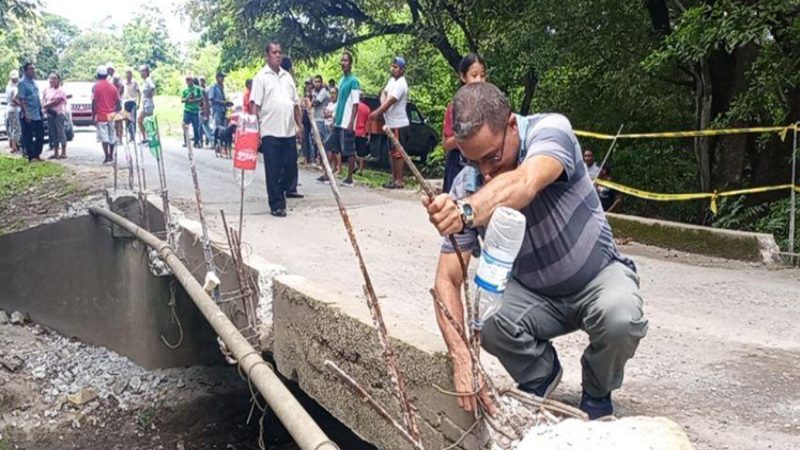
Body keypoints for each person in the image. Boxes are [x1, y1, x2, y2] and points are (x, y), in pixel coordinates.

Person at [424, 82, 647, 420]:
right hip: (534, 295)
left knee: (621, 318)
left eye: (492, 158)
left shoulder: (550, 131)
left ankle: (598, 390)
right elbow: (446, 279)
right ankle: (540, 373)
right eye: (472, 161)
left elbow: (525, 182)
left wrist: (465, 212)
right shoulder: (468, 185)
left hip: (597, 276)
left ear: (512, 125)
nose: (485, 172)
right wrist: (461, 356)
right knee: (486, 319)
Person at [250, 41, 304, 218]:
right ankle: (276, 204)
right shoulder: (261, 78)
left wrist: (299, 125)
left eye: (280, 52)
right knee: (273, 169)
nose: (278, 55)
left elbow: (295, 103)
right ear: (267, 55)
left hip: (288, 130)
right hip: (269, 130)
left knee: (289, 166)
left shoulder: (287, 77)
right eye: (274, 52)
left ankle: (282, 191)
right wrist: (255, 130)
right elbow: (254, 105)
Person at [442, 53, 487, 193]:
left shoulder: (491, 105)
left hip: (483, 167)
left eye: (483, 75)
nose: (479, 80)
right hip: (458, 165)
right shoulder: (455, 107)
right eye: (474, 75)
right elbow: (446, 145)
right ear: (463, 77)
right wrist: (466, 135)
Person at [369, 56, 409, 189]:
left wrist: (378, 112)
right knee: (391, 153)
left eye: (396, 67)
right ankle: (394, 178)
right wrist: (383, 104)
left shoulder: (401, 84)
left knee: (398, 153)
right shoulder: (392, 81)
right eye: (392, 66)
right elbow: (384, 94)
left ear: (402, 70)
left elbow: (391, 100)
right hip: (389, 123)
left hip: (398, 123)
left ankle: (399, 180)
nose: (393, 69)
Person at [321, 51, 360, 186]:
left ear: (350, 63)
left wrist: (351, 122)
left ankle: (350, 177)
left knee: (348, 150)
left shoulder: (353, 81)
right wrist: (334, 116)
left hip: (347, 121)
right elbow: (340, 102)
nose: (343, 63)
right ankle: (328, 173)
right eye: (342, 60)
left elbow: (355, 103)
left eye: (346, 61)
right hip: (338, 120)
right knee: (330, 146)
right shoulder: (342, 80)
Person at [92, 65, 121, 163]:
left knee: (104, 136)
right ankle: (111, 155)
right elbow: (118, 103)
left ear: (98, 75)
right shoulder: (113, 87)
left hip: (101, 115)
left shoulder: (95, 87)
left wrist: (93, 115)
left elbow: (94, 102)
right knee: (112, 135)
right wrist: (117, 114)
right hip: (111, 115)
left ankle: (107, 155)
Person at [17, 62, 45, 162]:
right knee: (28, 136)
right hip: (28, 114)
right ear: (25, 71)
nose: (33, 71)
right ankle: (31, 156)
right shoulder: (22, 83)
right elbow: (22, 99)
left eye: (34, 69)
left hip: (37, 113)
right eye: (30, 69)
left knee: (40, 135)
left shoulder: (34, 82)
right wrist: (26, 113)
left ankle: (37, 154)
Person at [42, 72, 68, 159]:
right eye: (51, 78)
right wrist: (45, 105)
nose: (52, 80)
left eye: (55, 78)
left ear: (59, 80)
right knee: (53, 133)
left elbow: (57, 101)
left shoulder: (60, 90)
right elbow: (44, 99)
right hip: (49, 114)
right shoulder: (47, 89)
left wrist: (46, 106)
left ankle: (63, 152)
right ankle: (55, 152)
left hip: (58, 113)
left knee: (60, 132)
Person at [308, 75, 330, 165]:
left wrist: (311, 101)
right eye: (315, 82)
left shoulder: (323, 92)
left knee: (321, 140)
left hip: (321, 119)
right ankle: (318, 159)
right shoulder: (315, 92)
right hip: (315, 118)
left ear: (321, 82)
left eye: (318, 82)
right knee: (315, 140)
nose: (316, 83)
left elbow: (315, 102)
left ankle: (322, 160)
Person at [208, 72, 228, 153]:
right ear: (217, 78)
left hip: (223, 110)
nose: (222, 79)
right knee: (218, 128)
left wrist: (226, 103)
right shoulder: (214, 87)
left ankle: (222, 146)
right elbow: (211, 99)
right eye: (221, 77)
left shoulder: (221, 88)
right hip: (217, 110)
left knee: (223, 129)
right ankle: (217, 145)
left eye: (223, 77)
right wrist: (222, 102)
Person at [181, 75, 203, 148]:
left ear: (192, 81)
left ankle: (196, 142)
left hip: (195, 110)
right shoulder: (185, 90)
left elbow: (201, 98)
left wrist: (194, 100)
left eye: (189, 80)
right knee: (185, 126)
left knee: (196, 127)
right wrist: (187, 98)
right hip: (187, 110)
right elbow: (182, 100)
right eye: (187, 80)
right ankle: (186, 141)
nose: (188, 82)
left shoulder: (197, 89)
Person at [4, 70, 22, 155]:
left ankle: (13, 144)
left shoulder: (8, 86)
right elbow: (15, 99)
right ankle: (15, 146)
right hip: (15, 108)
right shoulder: (16, 88)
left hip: (9, 108)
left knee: (11, 127)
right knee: (17, 128)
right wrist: (21, 105)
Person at [322, 87, 339, 172]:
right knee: (329, 148)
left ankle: (328, 169)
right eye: (331, 93)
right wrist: (328, 113)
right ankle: (332, 168)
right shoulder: (330, 104)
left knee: (329, 148)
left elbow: (333, 115)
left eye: (334, 93)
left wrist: (329, 114)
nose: (332, 95)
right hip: (326, 125)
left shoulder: (338, 104)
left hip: (332, 127)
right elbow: (325, 114)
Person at [138, 65, 155, 144]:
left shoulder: (148, 80)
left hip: (148, 104)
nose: (141, 73)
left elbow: (153, 88)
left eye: (142, 71)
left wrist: (150, 96)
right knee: (141, 121)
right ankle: (146, 138)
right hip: (144, 103)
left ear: (146, 72)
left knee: (146, 121)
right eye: (140, 71)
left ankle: (151, 138)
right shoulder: (144, 81)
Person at [123, 69, 141, 141]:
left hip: (133, 102)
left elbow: (139, 92)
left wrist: (139, 103)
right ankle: (128, 134)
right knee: (127, 119)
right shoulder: (124, 82)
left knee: (133, 119)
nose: (128, 76)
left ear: (131, 75)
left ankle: (133, 135)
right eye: (127, 74)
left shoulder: (135, 82)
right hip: (126, 102)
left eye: (129, 74)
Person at [354, 100, 371, 173]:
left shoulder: (354, 106)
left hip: (353, 131)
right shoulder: (367, 108)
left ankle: (354, 165)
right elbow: (368, 122)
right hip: (362, 133)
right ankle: (361, 170)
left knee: (352, 150)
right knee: (361, 153)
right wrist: (369, 134)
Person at [199, 76, 213, 147]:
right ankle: (210, 141)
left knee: (205, 127)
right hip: (205, 109)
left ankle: (212, 141)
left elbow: (205, 102)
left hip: (203, 110)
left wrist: (205, 112)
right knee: (206, 127)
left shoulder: (202, 90)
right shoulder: (204, 90)